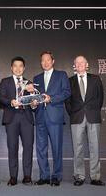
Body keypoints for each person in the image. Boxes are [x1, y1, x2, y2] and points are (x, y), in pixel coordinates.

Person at [65, 56, 105, 186]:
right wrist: (73, 112)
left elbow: (100, 98)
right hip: (76, 117)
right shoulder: (69, 81)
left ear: (87, 64)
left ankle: (95, 177)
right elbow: (67, 101)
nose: (80, 64)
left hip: (93, 117)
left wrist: (93, 110)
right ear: (74, 66)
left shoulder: (95, 79)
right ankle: (79, 176)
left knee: (95, 147)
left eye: (82, 62)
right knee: (78, 148)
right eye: (77, 62)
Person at [33, 51, 71, 186]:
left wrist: (51, 99)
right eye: (43, 60)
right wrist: (33, 103)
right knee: (41, 148)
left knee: (56, 148)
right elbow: (35, 97)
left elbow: (67, 92)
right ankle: (44, 176)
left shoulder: (62, 75)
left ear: (53, 61)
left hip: (55, 117)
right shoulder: (36, 78)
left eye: (48, 60)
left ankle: (56, 176)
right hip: (40, 117)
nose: (45, 62)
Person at [0, 56, 34, 186]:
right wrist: (10, 102)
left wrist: (34, 103)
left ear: (24, 68)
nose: (18, 68)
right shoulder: (5, 81)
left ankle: (27, 176)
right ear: (11, 68)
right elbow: (0, 98)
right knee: (12, 148)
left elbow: (33, 102)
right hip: (11, 118)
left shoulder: (29, 83)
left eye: (21, 66)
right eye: (15, 66)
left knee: (28, 148)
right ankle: (13, 177)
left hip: (26, 118)